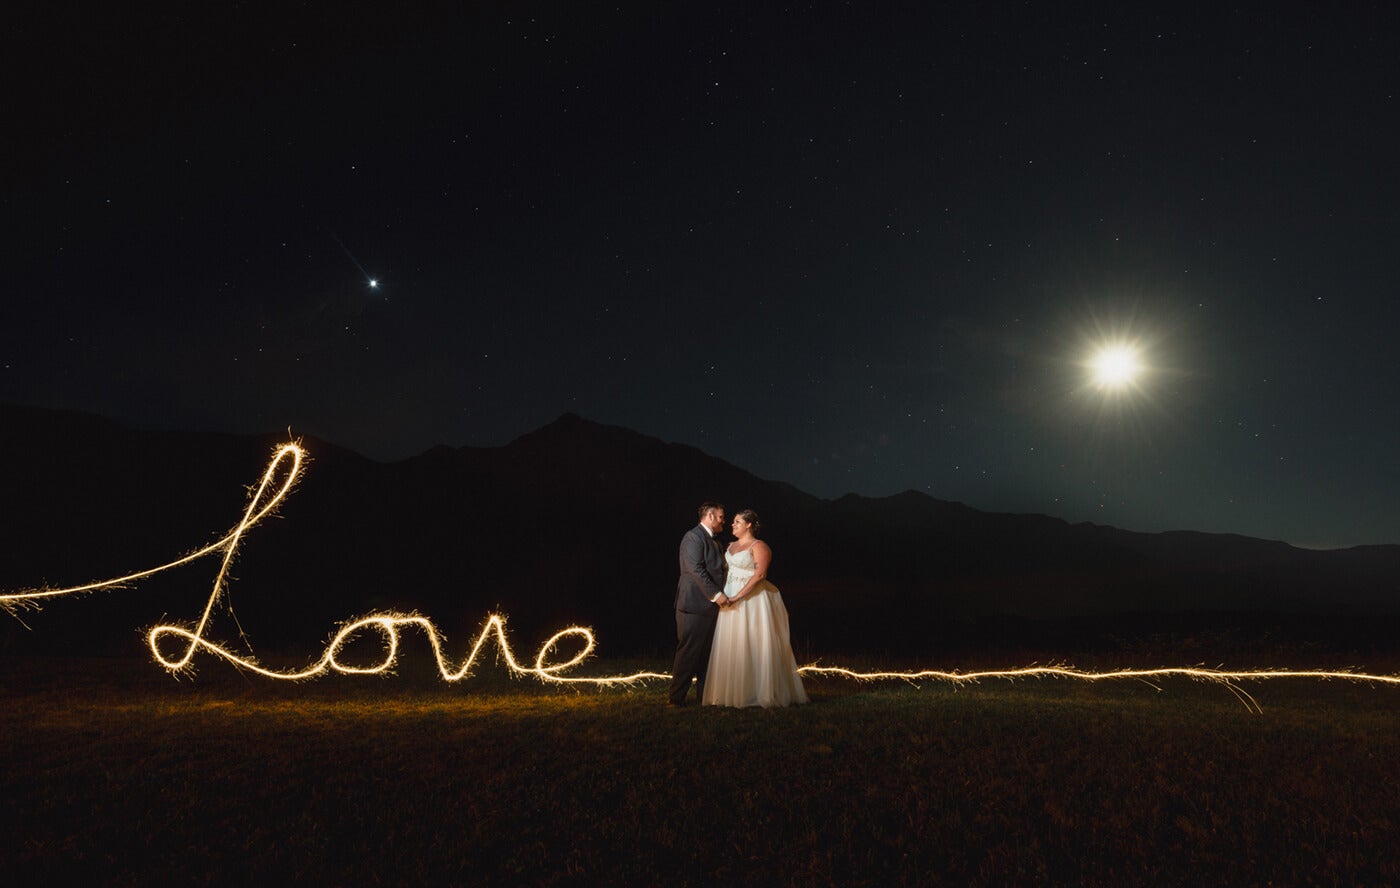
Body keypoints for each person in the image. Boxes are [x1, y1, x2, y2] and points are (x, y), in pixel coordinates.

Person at [702, 510, 808, 708]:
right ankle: (730, 691)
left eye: (737, 522)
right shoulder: (730, 546)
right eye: (733, 521)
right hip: (729, 596)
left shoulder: (759, 546)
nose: (732, 525)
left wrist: (738, 596)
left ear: (749, 524)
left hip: (752, 598)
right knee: (732, 641)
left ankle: (759, 691)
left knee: (753, 640)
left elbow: (760, 575)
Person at [668, 502, 727, 706]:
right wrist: (716, 595)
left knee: (706, 656)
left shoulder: (716, 541)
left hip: (710, 607)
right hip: (693, 605)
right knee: (689, 652)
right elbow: (695, 569)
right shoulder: (693, 537)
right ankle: (676, 698)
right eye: (720, 517)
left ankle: (704, 697)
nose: (723, 521)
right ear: (710, 516)